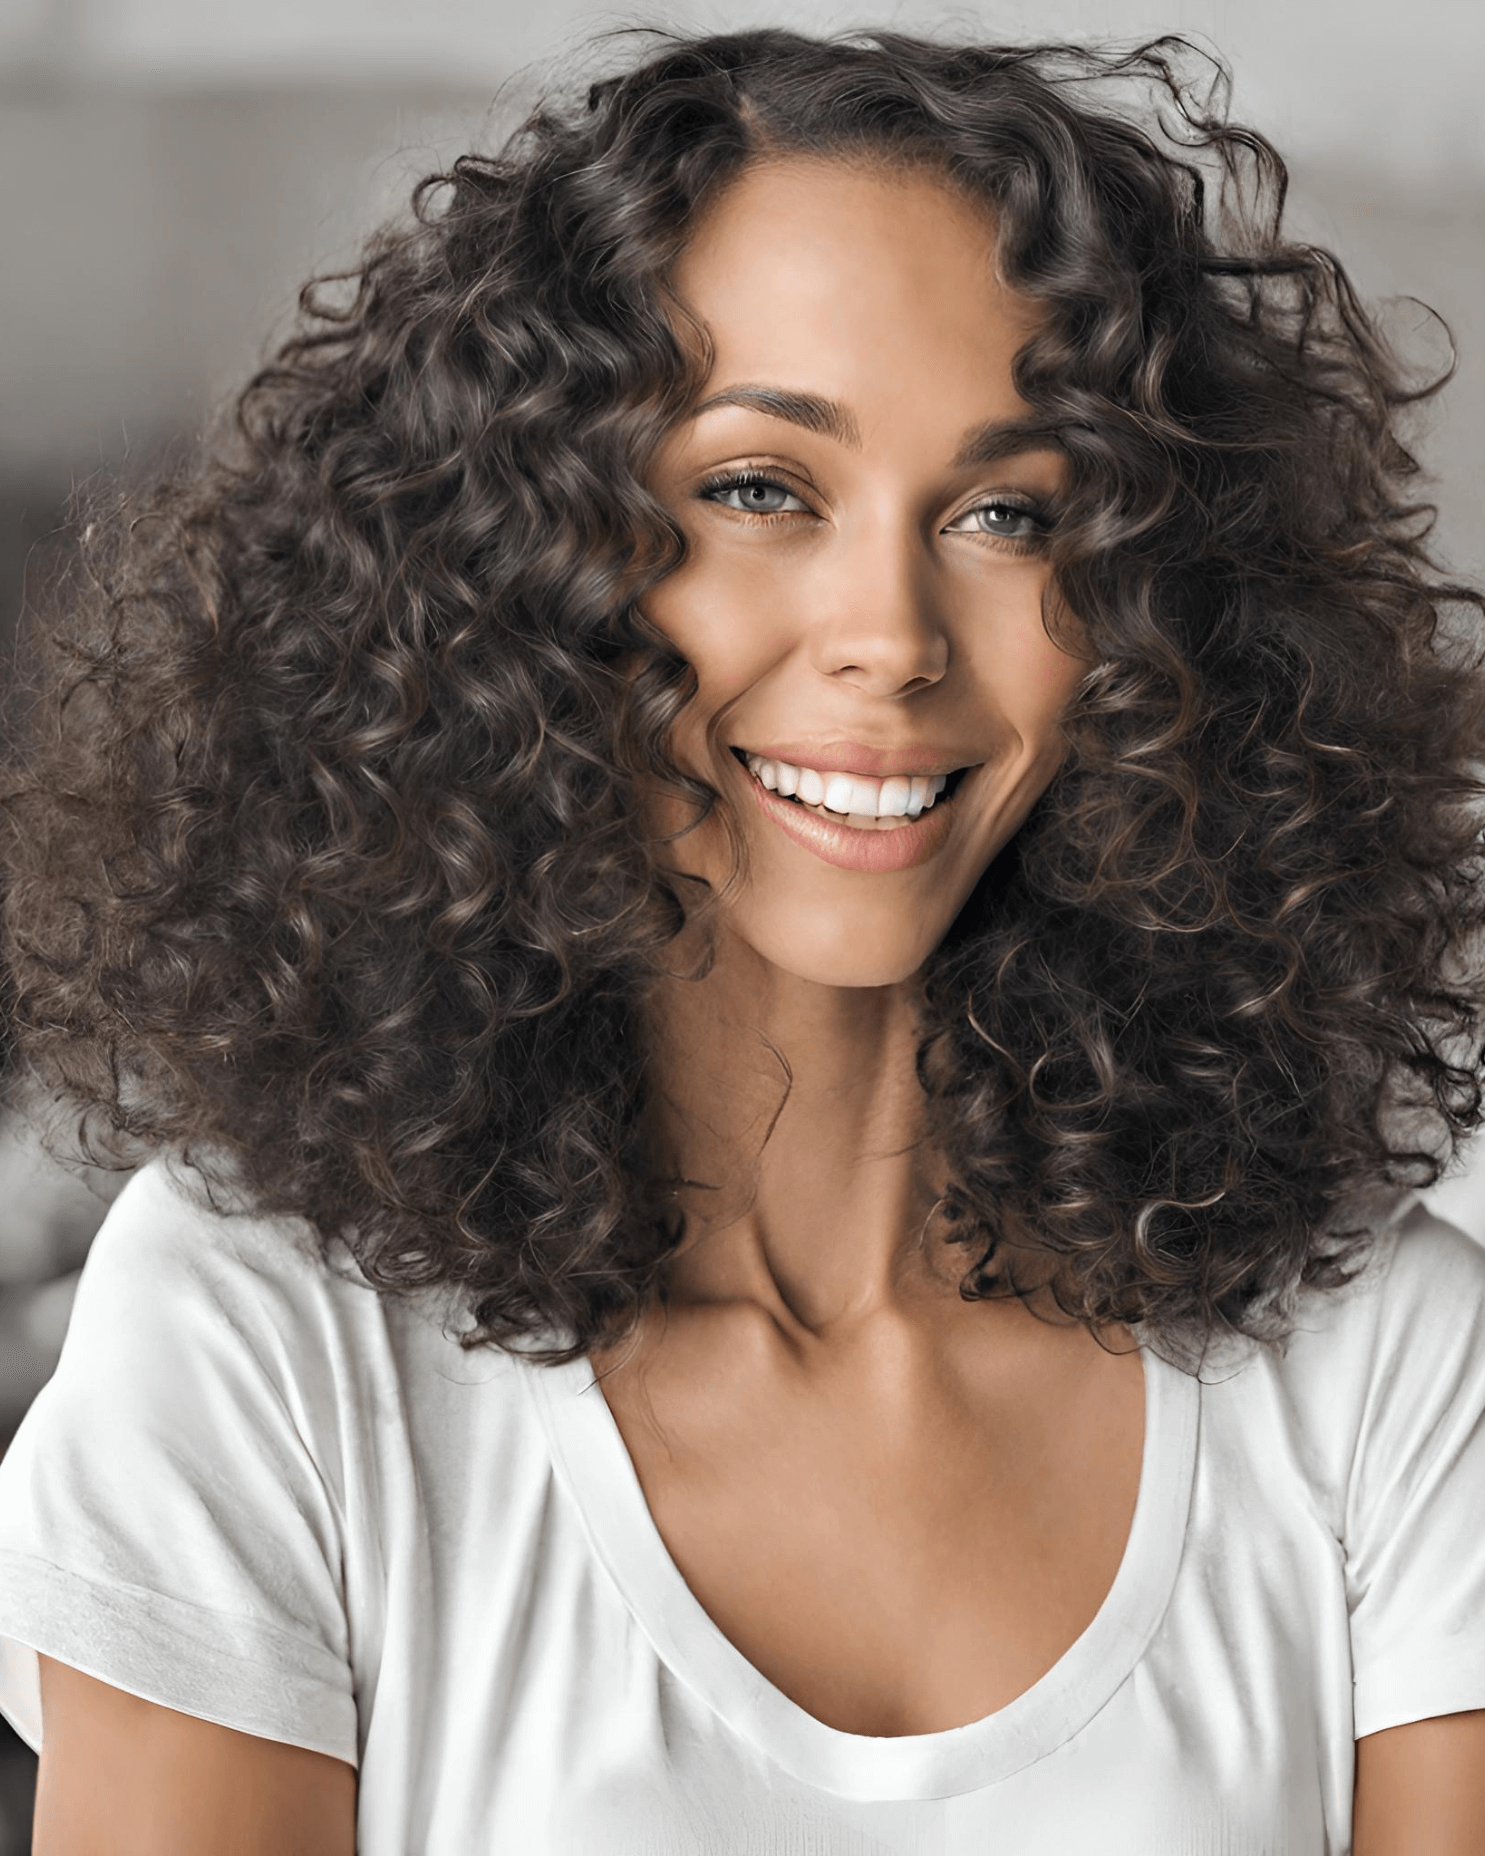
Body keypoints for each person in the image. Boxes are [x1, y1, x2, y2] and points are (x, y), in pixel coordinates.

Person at [1, 25, 1484, 1854]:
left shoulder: (1389, 1377)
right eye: (761, 490)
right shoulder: (262, 1348)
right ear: (527, 559)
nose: (893, 634)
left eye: (1013, 515)